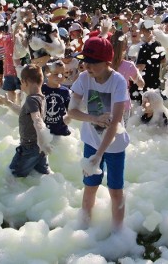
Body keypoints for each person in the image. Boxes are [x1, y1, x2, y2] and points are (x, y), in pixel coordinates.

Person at [67, 36, 129, 231]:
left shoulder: (118, 81)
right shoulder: (83, 78)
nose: (87, 66)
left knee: (115, 190)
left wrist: (100, 154)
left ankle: (118, 233)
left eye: (93, 63)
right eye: (86, 61)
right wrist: (94, 119)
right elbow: (72, 111)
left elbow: (115, 122)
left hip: (115, 146)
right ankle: (84, 229)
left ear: (107, 62)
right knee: (90, 187)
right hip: (91, 143)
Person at [0, 64, 53, 177]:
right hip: (39, 146)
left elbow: (37, 121)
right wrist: (9, 103)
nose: (21, 85)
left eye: (21, 83)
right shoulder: (41, 98)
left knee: (12, 174)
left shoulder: (31, 100)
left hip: (29, 147)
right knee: (43, 175)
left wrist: (41, 143)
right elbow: (23, 113)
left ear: (25, 82)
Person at [135, 21, 166, 99]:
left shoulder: (144, 47)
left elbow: (140, 67)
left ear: (142, 31)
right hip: (155, 82)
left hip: (145, 83)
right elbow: (163, 61)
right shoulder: (158, 44)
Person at [42, 59, 72, 136]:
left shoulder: (65, 91)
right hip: (44, 130)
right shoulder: (41, 89)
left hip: (61, 129)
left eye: (62, 73)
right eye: (56, 74)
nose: (60, 76)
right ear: (47, 73)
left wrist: (67, 119)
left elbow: (70, 110)